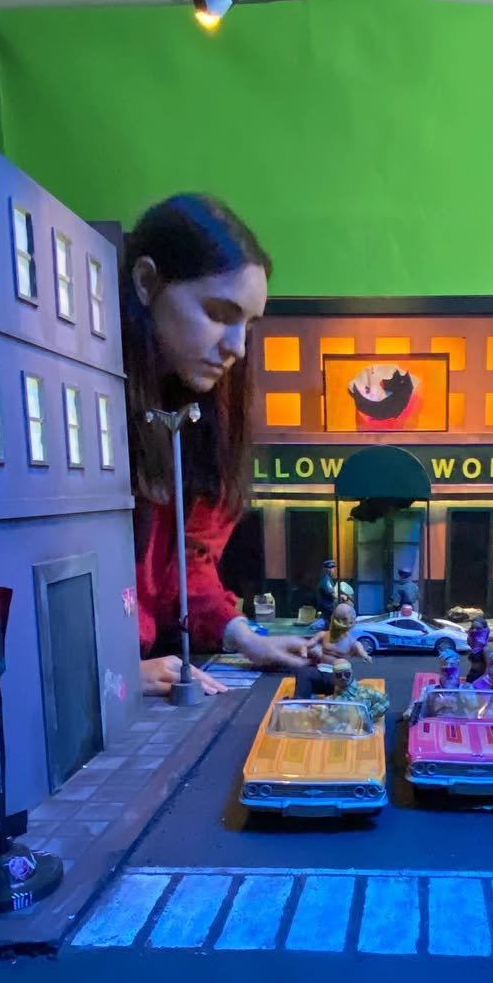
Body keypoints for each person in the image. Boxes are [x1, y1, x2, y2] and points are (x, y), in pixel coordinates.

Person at [122, 194, 310, 697]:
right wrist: (113, 674)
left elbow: (191, 561)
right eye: (218, 313)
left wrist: (244, 637)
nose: (237, 347)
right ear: (146, 283)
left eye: (248, 325)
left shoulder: (203, 412)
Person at [294, 602, 369, 698]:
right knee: (303, 672)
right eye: (339, 619)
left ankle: (338, 700)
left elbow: (362, 652)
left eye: (344, 619)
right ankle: (299, 701)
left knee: (342, 681)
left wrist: (365, 656)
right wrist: (304, 654)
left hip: (338, 677)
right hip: (320, 672)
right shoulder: (323, 635)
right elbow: (306, 645)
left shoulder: (353, 642)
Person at [402, 648, 464, 720]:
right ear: (440, 669)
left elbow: (473, 711)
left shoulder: (466, 690)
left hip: (460, 724)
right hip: (435, 724)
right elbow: (417, 706)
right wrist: (410, 710)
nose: (449, 673)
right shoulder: (429, 690)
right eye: (445, 670)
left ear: (458, 668)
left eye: (452, 669)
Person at [465, 616, 491, 683]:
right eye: (472, 627)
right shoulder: (474, 646)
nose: (474, 630)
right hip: (472, 674)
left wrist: (480, 681)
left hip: (479, 677)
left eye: (478, 628)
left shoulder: (485, 649)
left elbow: (488, 669)